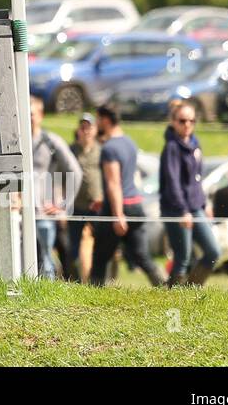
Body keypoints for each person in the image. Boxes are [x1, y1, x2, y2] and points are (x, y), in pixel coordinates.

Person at [89, 105, 165, 287]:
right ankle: (165, 288)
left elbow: (114, 183)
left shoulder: (109, 148)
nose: (97, 123)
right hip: (135, 204)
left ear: (106, 120)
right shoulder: (129, 142)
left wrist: (117, 214)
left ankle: (92, 296)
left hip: (118, 208)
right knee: (142, 256)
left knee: (99, 257)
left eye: (98, 119)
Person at [158, 101, 219, 285]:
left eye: (191, 121)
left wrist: (204, 204)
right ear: (173, 121)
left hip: (195, 207)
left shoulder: (195, 144)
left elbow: (196, 179)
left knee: (213, 251)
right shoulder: (172, 148)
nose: (187, 125)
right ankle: (173, 298)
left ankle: (190, 290)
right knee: (182, 257)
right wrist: (183, 211)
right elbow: (173, 182)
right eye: (182, 121)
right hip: (177, 209)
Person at [28, 96, 81, 279]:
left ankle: (46, 298)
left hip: (44, 213)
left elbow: (75, 171)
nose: (28, 118)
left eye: (31, 113)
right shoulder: (15, 141)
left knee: (45, 259)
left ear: (41, 115)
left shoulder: (51, 141)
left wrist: (65, 205)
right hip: (20, 212)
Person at [66, 112, 101, 282]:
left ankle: (98, 280)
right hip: (75, 206)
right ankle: (75, 280)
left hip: (96, 206)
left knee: (101, 246)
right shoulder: (70, 151)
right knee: (72, 247)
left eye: (89, 127)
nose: (86, 131)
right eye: (83, 127)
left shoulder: (101, 150)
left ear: (95, 130)